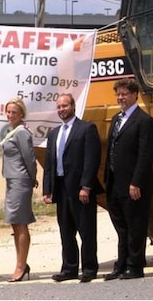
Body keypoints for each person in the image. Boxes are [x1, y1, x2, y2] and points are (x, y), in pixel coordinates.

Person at [42, 93, 104, 283]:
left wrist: (86, 186)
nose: (62, 109)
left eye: (65, 106)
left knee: (86, 230)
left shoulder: (86, 129)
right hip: (61, 189)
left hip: (80, 189)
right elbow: (49, 163)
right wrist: (47, 189)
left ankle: (89, 268)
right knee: (66, 231)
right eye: (59, 107)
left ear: (73, 106)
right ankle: (69, 268)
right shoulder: (53, 133)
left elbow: (91, 160)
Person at [104, 78, 153, 280]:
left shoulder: (144, 121)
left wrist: (136, 182)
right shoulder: (117, 119)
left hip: (133, 184)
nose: (121, 97)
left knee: (135, 225)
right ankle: (122, 264)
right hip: (115, 183)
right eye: (118, 94)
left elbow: (145, 155)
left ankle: (135, 266)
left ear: (135, 95)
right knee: (121, 227)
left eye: (124, 94)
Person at [0, 97, 37, 282]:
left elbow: (29, 157)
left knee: (21, 223)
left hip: (20, 181)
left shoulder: (22, 132)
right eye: (8, 111)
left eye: (14, 112)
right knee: (15, 223)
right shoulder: (11, 131)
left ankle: (21, 266)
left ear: (21, 114)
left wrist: (32, 178)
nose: (10, 115)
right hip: (12, 180)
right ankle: (21, 262)